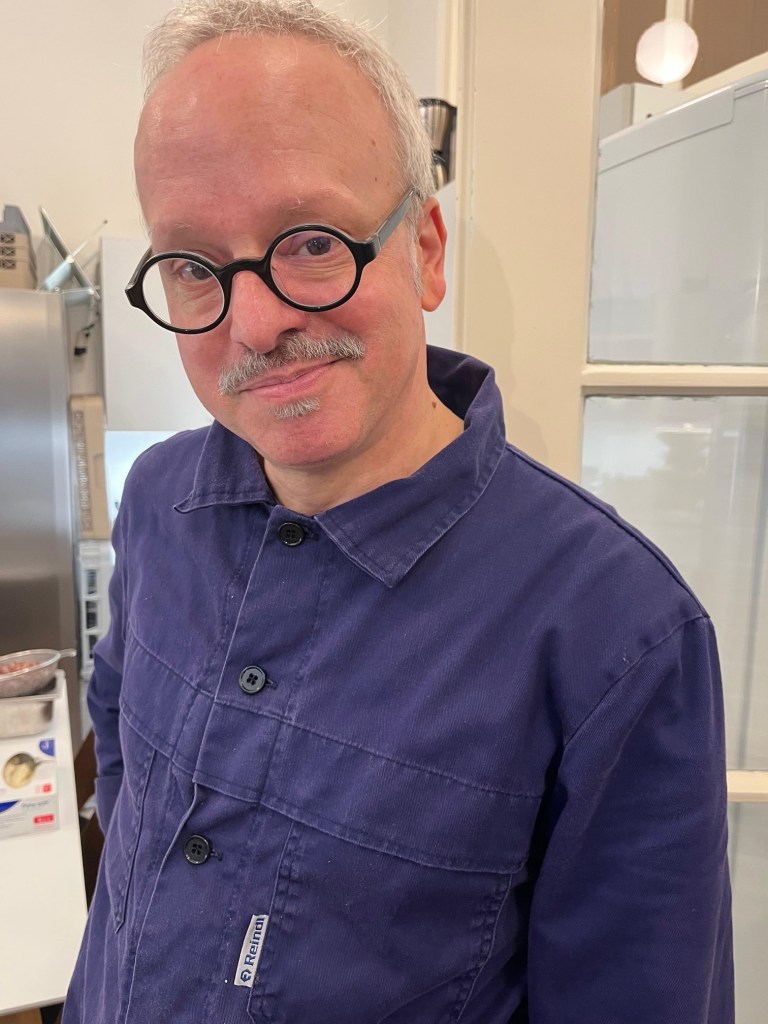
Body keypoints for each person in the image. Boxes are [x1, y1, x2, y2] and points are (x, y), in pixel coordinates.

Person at [63, 1, 734, 1021]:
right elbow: (124, 761)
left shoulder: (620, 634)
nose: (256, 324)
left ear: (425, 247)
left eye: (311, 242)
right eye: (195, 267)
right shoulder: (160, 499)